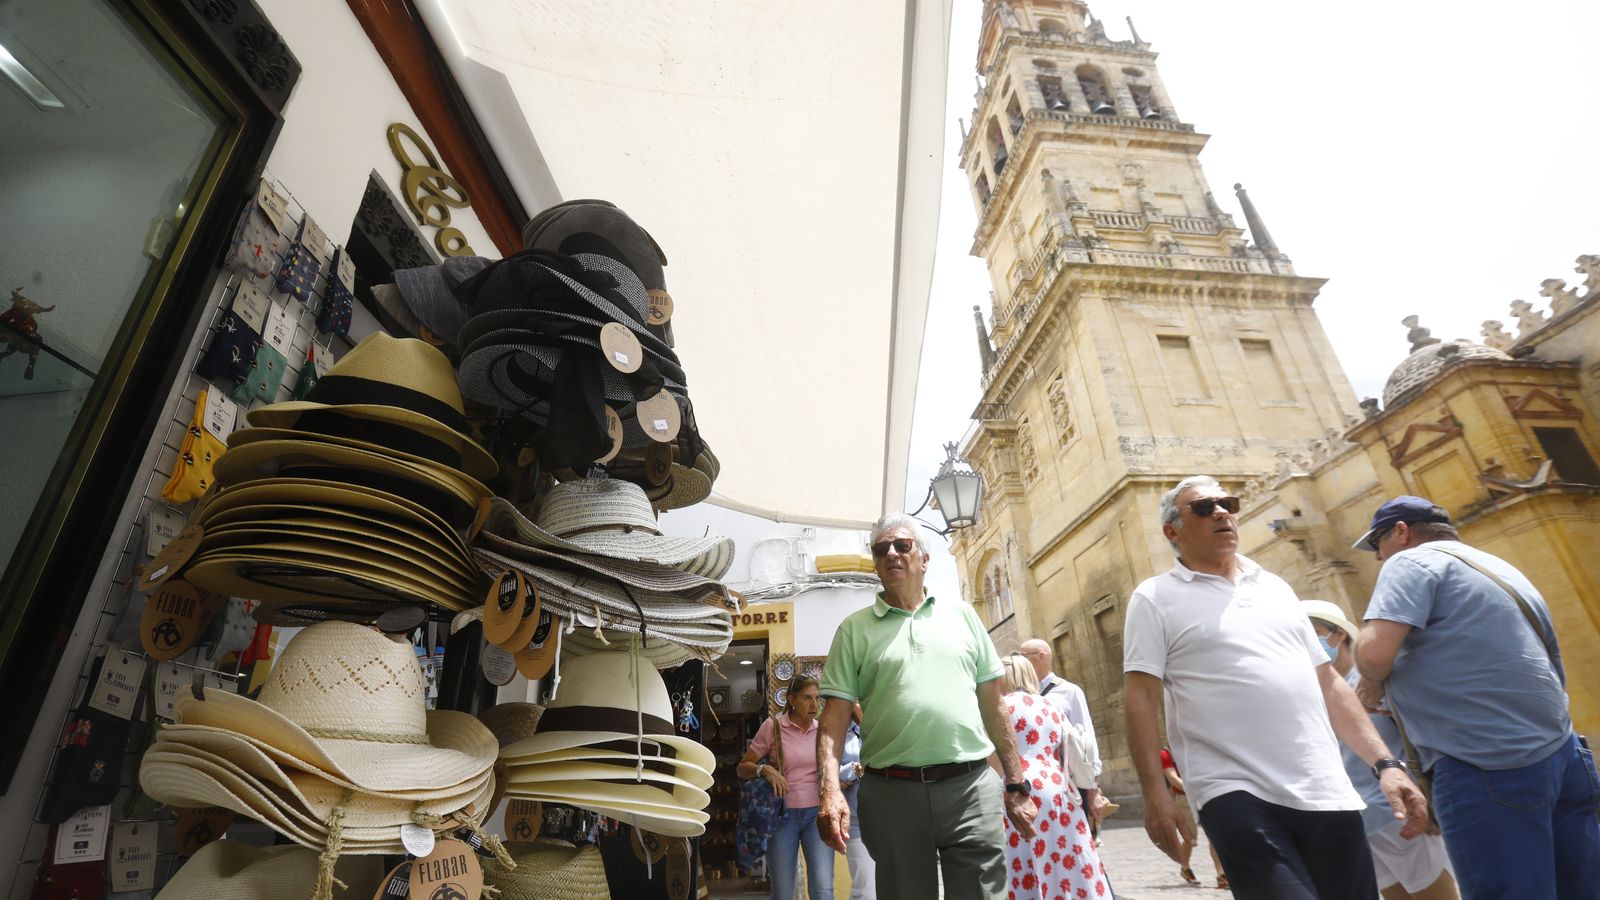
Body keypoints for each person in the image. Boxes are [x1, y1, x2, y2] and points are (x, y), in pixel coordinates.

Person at [1124, 475, 1428, 900]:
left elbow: (1328, 682)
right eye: (1204, 507)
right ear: (1172, 531)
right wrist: (1156, 795)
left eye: (1226, 502)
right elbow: (1140, 696)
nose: (1222, 512)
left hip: (1325, 787)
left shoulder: (1275, 587)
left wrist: (1386, 764)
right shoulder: (1155, 597)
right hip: (1233, 790)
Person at [1351, 495, 1600, 899]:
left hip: (1485, 764)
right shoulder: (1501, 567)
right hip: (1564, 754)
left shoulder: (1411, 561)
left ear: (1400, 532)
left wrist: (1371, 671)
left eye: (1377, 545)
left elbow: (1374, 656)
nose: (1379, 559)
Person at [816, 513, 1037, 900]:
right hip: (892, 794)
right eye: (881, 548)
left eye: (903, 545)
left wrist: (1016, 782)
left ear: (924, 558)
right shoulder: (854, 629)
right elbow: (834, 718)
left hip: (970, 788)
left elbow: (993, 703)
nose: (892, 554)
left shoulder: (964, 616)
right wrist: (830, 791)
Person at [1303, 599, 1458, 900]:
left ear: (1338, 636)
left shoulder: (1374, 684)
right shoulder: (1316, 697)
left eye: (1316, 633)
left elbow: (1421, 734)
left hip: (1399, 812)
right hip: (1361, 821)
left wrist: (1434, 796)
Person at [993, 653, 1110, 900]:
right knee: (1064, 857)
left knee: (1025, 857)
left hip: (1018, 787)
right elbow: (1073, 748)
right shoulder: (1051, 706)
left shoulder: (1001, 708)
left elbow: (993, 761)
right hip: (1059, 788)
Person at [739, 674, 833, 900]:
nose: (814, 705)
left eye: (817, 699)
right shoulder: (774, 727)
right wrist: (765, 770)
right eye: (807, 698)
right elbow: (743, 767)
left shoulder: (822, 729)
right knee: (783, 892)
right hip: (782, 817)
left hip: (817, 817)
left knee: (823, 891)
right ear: (792, 699)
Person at [1017, 639, 1106, 829]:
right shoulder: (1022, 696)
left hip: (1070, 783)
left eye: (1022, 657)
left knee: (1077, 841)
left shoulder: (1068, 691)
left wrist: (1093, 788)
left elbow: (1086, 740)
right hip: (1036, 785)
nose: (1019, 663)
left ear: (1040, 656)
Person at [1159, 746, 1228, 890]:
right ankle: (1184, 867)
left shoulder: (1191, 748)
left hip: (1203, 794)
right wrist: (1193, 791)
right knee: (1191, 836)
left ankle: (1221, 874)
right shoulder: (1165, 754)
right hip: (1183, 797)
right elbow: (1172, 778)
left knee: (1213, 834)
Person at [835, 701, 876, 900]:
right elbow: (827, 771)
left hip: (887, 818)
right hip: (856, 821)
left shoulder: (879, 728)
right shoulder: (838, 733)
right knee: (865, 888)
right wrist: (853, 769)